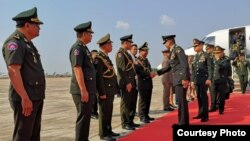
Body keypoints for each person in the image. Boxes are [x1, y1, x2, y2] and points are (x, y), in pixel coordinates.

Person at [2, 7, 45, 141]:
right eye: (37, 25)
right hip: (26, 97)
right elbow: (13, 70)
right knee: (23, 135)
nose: (39, 28)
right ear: (27, 25)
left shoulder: (27, 44)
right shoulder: (15, 42)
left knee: (33, 135)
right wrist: (24, 98)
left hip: (35, 96)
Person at [69, 21, 96, 141]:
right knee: (82, 117)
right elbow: (77, 68)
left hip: (87, 89)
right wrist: (83, 90)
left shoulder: (84, 48)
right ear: (84, 34)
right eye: (90, 33)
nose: (91, 36)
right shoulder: (77, 48)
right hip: (81, 90)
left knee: (86, 117)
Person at [157, 35, 190, 125]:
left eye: (165, 42)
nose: (164, 44)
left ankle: (183, 123)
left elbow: (184, 64)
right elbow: (170, 66)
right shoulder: (173, 51)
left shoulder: (178, 49)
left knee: (181, 102)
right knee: (181, 101)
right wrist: (157, 72)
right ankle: (183, 121)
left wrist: (184, 78)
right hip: (178, 79)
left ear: (170, 41)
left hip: (180, 79)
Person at [94, 33, 120, 141]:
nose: (112, 46)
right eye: (110, 44)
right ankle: (103, 134)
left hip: (110, 89)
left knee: (109, 111)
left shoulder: (106, 58)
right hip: (104, 90)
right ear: (104, 45)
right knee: (104, 113)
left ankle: (108, 130)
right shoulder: (98, 58)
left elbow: (112, 74)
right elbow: (98, 77)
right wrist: (101, 92)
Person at [116, 34, 139, 130]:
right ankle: (125, 123)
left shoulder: (127, 53)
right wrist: (127, 83)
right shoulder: (120, 53)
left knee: (131, 103)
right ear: (125, 43)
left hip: (131, 81)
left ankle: (130, 121)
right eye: (130, 43)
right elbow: (122, 69)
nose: (131, 45)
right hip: (126, 83)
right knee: (125, 103)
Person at [191, 39, 212, 122]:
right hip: (197, 80)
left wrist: (209, 78)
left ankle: (205, 116)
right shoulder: (195, 56)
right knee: (199, 97)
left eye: (196, 46)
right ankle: (200, 113)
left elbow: (210, 67)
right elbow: (193, 70)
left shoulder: (206, 55)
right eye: (194, 46)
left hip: (204, 80)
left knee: (203, 97)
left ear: (201, 46)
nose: (194, 47)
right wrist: (192, 80)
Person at [134, 42, 156, 123]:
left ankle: (146, 114)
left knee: (148, 100)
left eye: (147, 51)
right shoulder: (137, 60)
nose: (146, 52)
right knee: (143, 101)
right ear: (140, 51)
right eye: (144, 51)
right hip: (142, 83)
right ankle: (142, 116)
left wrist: (152, 73)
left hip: (148, 82)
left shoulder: (146, 60)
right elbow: (138, 71)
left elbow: (148, 69)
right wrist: (148, 74)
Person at [212, 46, 231, 114]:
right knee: (213, 95)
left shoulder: (226, 60)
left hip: (222, 80)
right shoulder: (212, 59)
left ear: (222, 52)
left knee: (222, 96)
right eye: (215, 53)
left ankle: (221, 109)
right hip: (214, 79)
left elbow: (223, 66)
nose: (216, 54)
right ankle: (213, 107)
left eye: (218, 53)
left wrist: (217, 60)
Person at [129, 44, 139, 117]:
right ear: (130, 50)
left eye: (136, 49)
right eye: (134, 49)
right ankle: (130, 112)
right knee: (131, 99)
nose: (136, 51)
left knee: (135, 97)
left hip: (136, 81)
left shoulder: (136, 58)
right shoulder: (129, 58)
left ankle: (133, 111)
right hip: (131, 80)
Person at [90, 49, 99, 119]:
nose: (96, 55)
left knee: (97, 98)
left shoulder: (97, 60)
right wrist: (92, 58)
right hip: (91, 82)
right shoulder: (90, 60)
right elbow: (90, 67)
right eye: (94, 54)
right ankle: (92, 112)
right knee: (93, 98)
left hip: (97, 81)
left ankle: (95, 111)